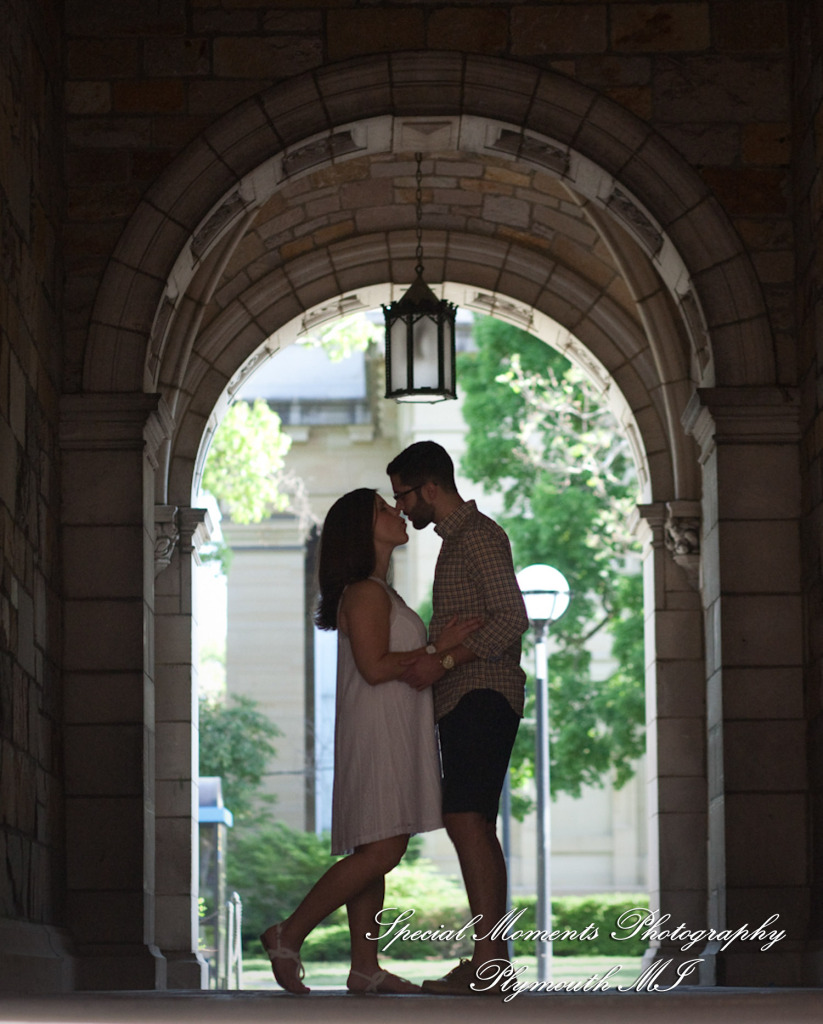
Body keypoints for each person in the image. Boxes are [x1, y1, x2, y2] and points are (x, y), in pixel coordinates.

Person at [260, 487, 480, 995]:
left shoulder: (380, 590)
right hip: (377, 729)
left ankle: (364, 967)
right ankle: (288, 933)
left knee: (376, 844)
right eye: (384, 508)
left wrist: (433, 649)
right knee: (383, 849)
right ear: (363, 530)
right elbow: (375, 667)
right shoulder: (364, 591)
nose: (397, 510)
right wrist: (437, 647)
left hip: (391, 726)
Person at [386, 441, 529, 996]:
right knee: (471, 821)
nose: (401, 508)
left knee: (467, 819)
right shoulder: (458, 541)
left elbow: (511, 617)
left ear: (430, 487)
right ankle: (490, 962)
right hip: (468, 696)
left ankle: (490, 965)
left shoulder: (478, 536)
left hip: (483, 693)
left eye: (404, 495)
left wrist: (443, 660)